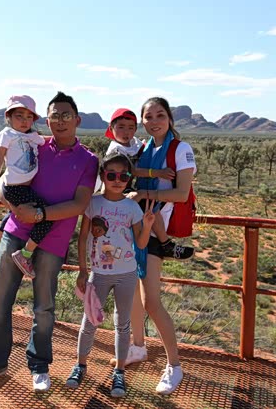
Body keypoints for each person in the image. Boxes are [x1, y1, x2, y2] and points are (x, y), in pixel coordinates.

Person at [0, 91, 99, 393]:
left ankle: (39, 367)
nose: (60, 121)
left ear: (77, 120)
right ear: (47, 121)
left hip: (54, 240)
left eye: (66, 115)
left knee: (44, 308)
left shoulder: (89, 160)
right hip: (16, 231)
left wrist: (39, 214)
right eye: (55, 116)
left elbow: (80, 204)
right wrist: (11, 204)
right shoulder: (33, 145)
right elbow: (5, 182)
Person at [121, 97, 197, 395]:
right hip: (135, 227)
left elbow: (181, 194)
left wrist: (143, 194)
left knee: (151, 301)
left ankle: (174, 366)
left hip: (153, 230)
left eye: (160, 115)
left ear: (169, 119)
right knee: (133, 296)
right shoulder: (145, 149)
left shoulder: (181, 149)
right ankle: (138, 347)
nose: (154, 121)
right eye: (148, 116)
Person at [65, 153, 155, 398]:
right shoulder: (93, 203)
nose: (117, 180)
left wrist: (147, 225)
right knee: (89, 321)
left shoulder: (131, 207)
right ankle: (80, 365)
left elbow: (141, 243)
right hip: (99, 274)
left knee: (122, 324)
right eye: (111, 175)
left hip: (127, 273)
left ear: (129, 179)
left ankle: (119, 372)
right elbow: (83, 237)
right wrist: (83, 270)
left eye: (124, 176)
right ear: (103, 176)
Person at [0, 95, 49, 278]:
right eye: (19, 116)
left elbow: (48, 140)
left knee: (14, 213)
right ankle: (25, 254)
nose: (24, 121)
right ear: (8, 117)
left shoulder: (33, 136)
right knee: (47, 215)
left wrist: (75, 142)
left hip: (25, 189)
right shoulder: (7, 134)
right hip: (15, 188)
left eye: (29, 117)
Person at [104, 108, 189, 258]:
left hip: (127, 187)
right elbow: (133, 171)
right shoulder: (116, 149)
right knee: (148, 205)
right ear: (111, 128)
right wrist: (158, 173)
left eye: (131, 128)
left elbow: (143, 150)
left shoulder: (134, 143)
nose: (126, 132)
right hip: (117, 189)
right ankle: (165, 244)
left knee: (149, 205)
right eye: (121, 127)